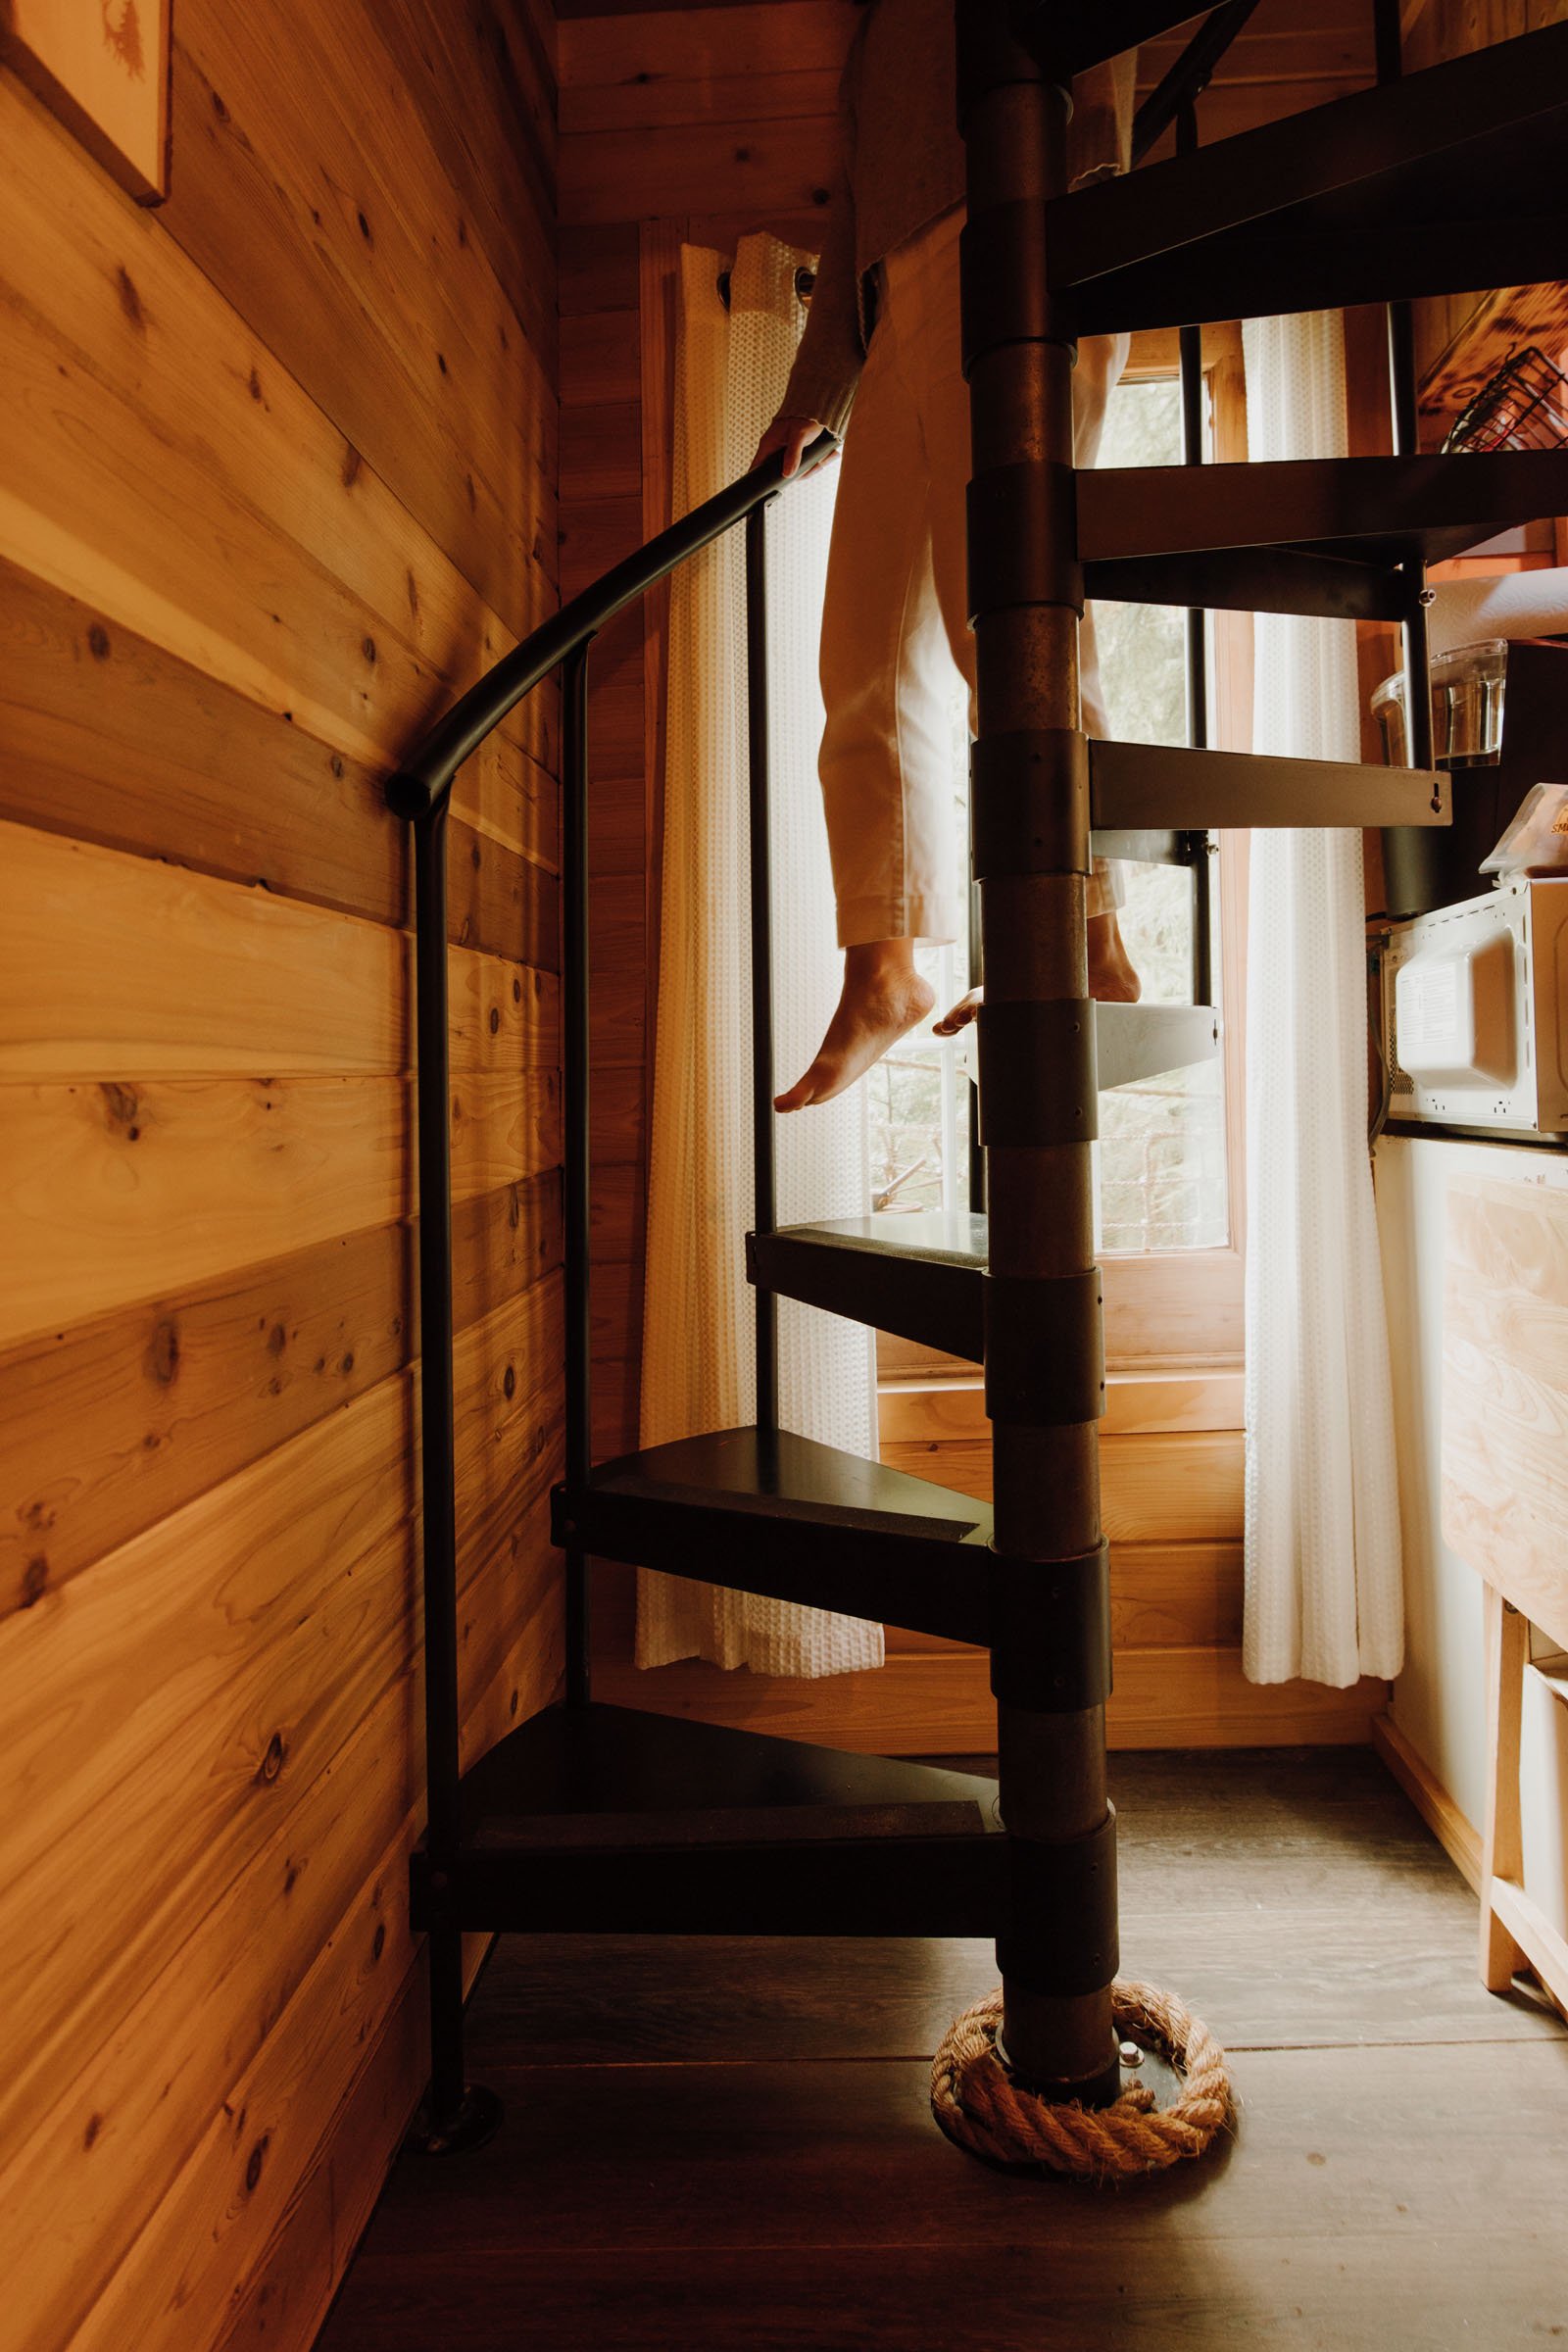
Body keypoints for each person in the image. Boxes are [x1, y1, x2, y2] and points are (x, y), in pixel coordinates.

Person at [753, 0, 1140, 1112]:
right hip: (892, 303)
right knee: (862, 663)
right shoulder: (874, 30)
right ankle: (881, 970)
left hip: (1019, 236)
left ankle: (1095, 947)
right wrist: (812, 392)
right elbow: (857, 206)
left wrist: (1086, 222)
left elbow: (1097, 64)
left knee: (1012, 620)